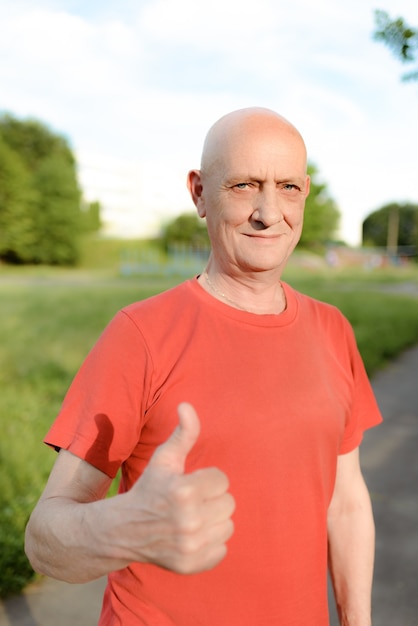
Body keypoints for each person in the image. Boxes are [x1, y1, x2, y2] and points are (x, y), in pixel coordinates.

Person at [25, 107, 382, 625]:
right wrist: (124, 526)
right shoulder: (140, 335)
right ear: (198, 192)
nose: (268, 211)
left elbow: (346, 503)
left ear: (305, 193)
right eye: (243, 185)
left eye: (287, 187)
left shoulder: (333, 330)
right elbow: (43, 541)